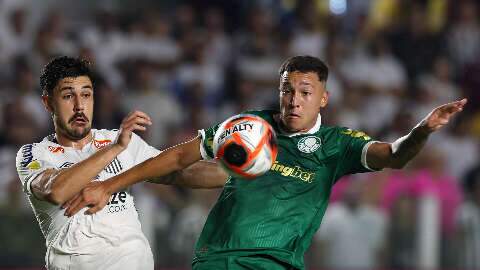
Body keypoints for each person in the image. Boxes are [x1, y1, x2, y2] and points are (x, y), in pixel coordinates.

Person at [65, 55, 467, 270]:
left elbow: (394, 156)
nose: (294, 99)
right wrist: (107, 185)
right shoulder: (248, 127)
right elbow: (179, 156)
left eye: (305, 92)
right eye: (287, 90)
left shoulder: (337, 144)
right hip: (223, 259)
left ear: (322, 98)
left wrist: (424, 129)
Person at [15, 56, 227, 270]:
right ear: (48, 102)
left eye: (86, 95)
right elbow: (57, 191)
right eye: (68, 96)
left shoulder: (119, 140)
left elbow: (181, 170)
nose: (80, 106)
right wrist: (115, 149)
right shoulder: (34, 154)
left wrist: (246, 170)